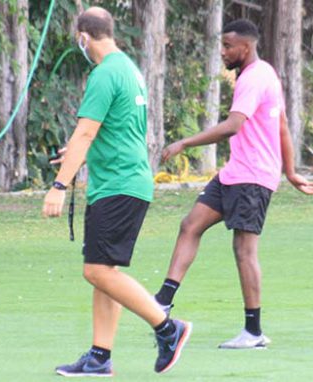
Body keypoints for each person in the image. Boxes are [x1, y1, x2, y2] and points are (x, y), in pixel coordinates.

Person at [42, 7, 191, 377]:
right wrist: (77, 155)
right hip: (125, 182)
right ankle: (100, 356)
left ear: (83, 37)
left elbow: (86, 131)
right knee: (103, 270)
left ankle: (168, 328)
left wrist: (60, 184)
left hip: (119, 185)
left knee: (96, 271)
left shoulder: (104, 73)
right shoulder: (128, 68)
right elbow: (114, 130)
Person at [153, 19, 313, 349]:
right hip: (235, 173)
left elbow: (233, 125)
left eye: (228, 46)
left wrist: (185, 143)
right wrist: (289, 171)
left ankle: (253, 332)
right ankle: (162, 300)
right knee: (190, 225)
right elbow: (282, 126)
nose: (223, 52)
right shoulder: (263, 74)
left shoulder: (255, 78)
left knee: (244, 250)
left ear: (245, 47)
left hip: (253, 177)